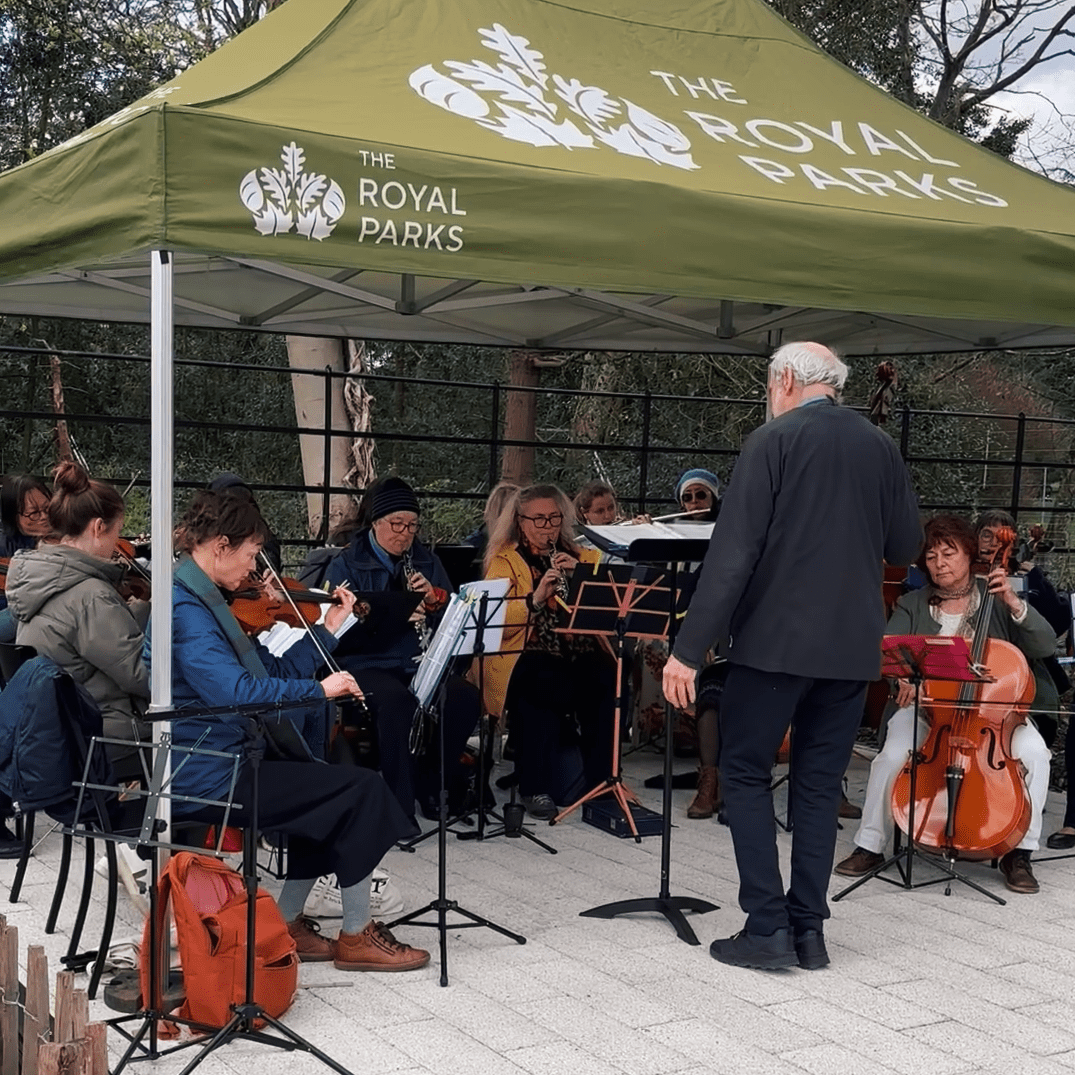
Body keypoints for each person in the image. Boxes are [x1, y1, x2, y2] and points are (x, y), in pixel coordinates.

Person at [663, 341, 922, 971]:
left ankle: (766, 926)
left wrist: (687, 650)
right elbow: (905, 544)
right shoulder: (880, 446)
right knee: (815, 785)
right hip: (852, 650)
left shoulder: (773, 440)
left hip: (775, 645)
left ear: (784, 380)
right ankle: (810, 933)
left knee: (745, 772)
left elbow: (732, 556)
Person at [154, 488, 429, 971]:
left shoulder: (206, 599)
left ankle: (288, 922)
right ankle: (355, 935)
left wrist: (329, 631)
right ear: (220, 545)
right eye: (249, 554)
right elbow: (236, 692)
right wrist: (320, 693)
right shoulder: (187, 612)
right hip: (206, 770)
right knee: (359, 790)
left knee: (324, 785)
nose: (255, 570)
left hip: (228, 754)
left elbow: (272, 675)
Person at [835, 514, 1056, 895]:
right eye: (932, 557)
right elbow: (889, 650)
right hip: (927, 708)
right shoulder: (912, 604)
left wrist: (1013, 602)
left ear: (970, 555)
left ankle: (1019, 852)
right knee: (890, 756)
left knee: (1036, 754)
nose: (940, 564)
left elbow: (1045, 645)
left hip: (992, 716)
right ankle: (870, 844)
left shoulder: (997, 596)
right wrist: (900, 678)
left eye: (948, 554)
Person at [325, 476, 479, 828]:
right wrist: (392, 614)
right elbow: (334, 630)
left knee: (463, 698)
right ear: (376, 523)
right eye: (396, 524)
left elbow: (454, 619)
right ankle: (399, 805)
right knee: (398, 705)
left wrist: (436, 603)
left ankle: (433, 785)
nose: (405, 534)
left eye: (412, 525)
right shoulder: (347, 564)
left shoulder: (425, 561)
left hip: (420, 660)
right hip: (367, 662)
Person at [6, 462, 150, 785]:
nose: (118, 545)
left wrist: (138, 611)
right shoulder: (89, 596)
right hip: (99, 735)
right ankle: (160, 831)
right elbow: (143, 676)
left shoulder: (41, 576)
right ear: (98, 527)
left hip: (56, 736)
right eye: (116, 532)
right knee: (205, 734)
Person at [482, 484, 612, 819]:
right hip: (522, 651)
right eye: (538, 520)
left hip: (577, 648)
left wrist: (580, 578)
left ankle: (602, 782)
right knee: (542, 678)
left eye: (554, 518)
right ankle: (533, 785)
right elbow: (496, 624)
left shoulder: (585, 556)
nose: (547, 527)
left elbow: (608, 612)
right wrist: (535, 599)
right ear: (520, 522)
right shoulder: (504, 561)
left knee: (607, 676)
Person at [0, 472, 51, 855]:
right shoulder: (8, 553)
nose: (40, 517)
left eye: (45, 508)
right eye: (29, 513)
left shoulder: (61, 543)